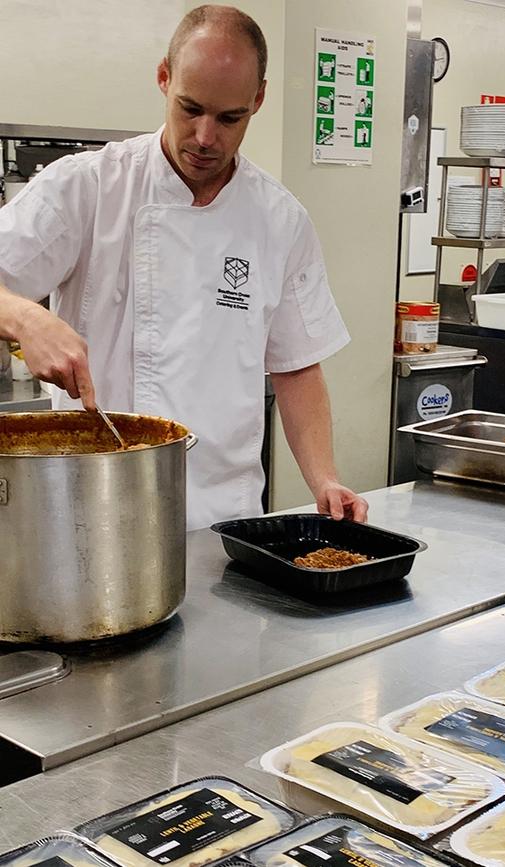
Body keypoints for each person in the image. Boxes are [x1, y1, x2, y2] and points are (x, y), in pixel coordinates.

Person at [0, 4, 368, 530]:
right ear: (163, 77)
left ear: (258, 99)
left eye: (228, 118)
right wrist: (25, 318)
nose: (203, 137)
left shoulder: (280, 220)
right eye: (189, 108)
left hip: (224, 517)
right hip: (96, 509)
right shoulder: (89, 187)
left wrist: (325, 478)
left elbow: (297, 364)